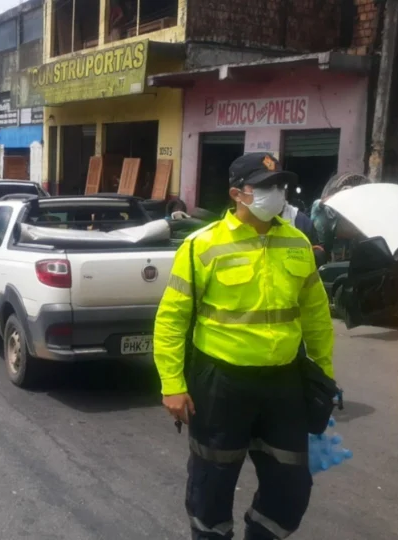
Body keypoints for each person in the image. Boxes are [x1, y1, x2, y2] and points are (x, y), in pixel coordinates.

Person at [153, 152, 335, 540]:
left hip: (283, 384)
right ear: (238, 193)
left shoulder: (297, 243)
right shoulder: (202, 246)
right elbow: (171, 319)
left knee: (291, 487)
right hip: (221, 383)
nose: (277, 193)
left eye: (280, 185)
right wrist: (172, 383)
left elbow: (316, 316)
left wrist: (323, 374)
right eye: (266, 186)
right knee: (212, 482)